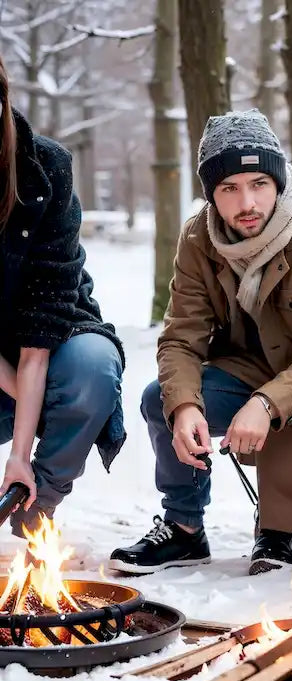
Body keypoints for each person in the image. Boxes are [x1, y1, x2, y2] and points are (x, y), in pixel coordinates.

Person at [109, 108, 292, 575]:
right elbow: (180, 337)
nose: (247, 202)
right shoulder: (198, 238)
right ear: (212, 195)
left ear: (277, 182)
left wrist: (266, 404)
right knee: (162, 399)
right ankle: (184, 529)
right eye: (228, 189)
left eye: (258, 183)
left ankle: (279, 526)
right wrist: (184, 406)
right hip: (248, 360)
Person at [0, 55, 125, 538]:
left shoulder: (46, 168)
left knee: (91, 370)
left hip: (55, 335)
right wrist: (33, 402)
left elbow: (40, 339)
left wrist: (19, 457)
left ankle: (35, 510)